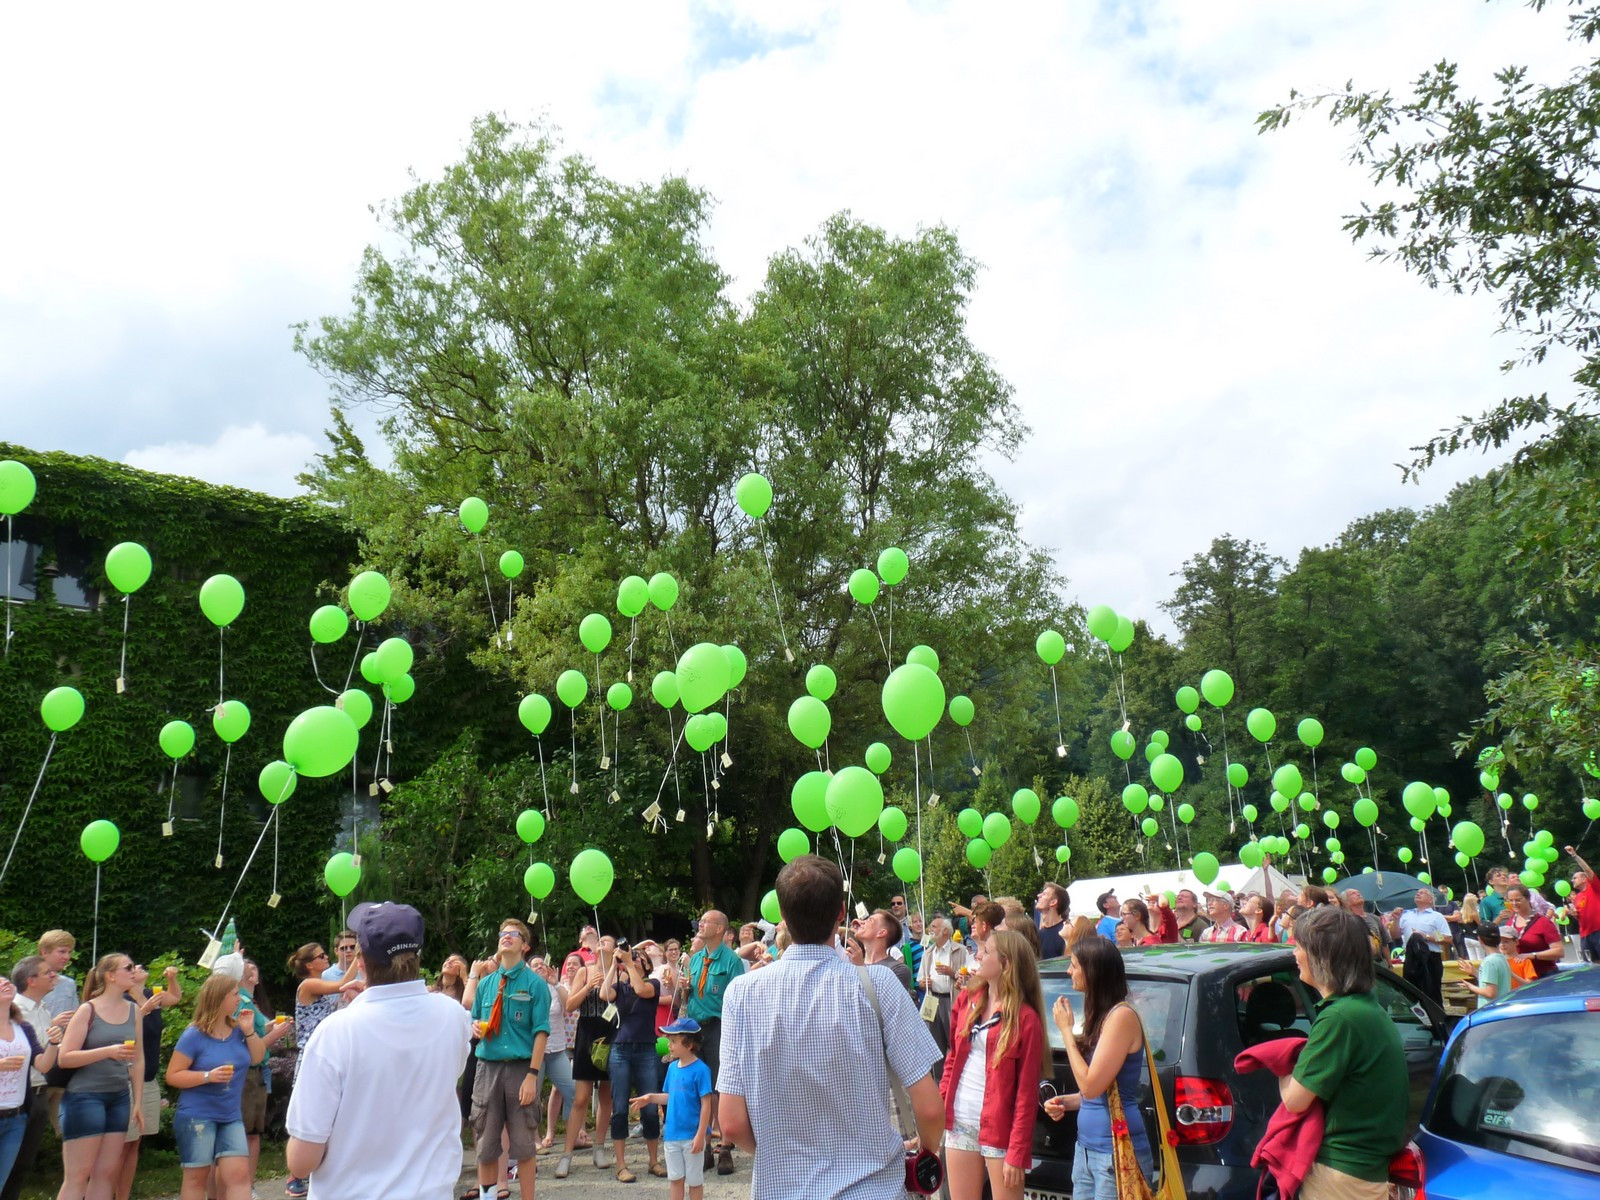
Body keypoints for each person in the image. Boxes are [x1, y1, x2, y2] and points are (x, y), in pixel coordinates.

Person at [717, 855, 944, 1199]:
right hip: (873, 1189)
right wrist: (926, 1153)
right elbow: (928, 1107)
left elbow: (731, 1122)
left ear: (782, 915)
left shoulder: (742, 993)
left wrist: (782, 1159)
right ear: (841, 913)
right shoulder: (878, 985)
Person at [286, 901, 471, 1200]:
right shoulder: (453, 1017)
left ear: (361, 962)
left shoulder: (336, 1033)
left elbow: (301, 1161)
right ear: (417, 955)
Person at [1278, 906, 1408, 1200]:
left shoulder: (1339, 1017)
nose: (1294, 954)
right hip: (1361, 1171)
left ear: (1322, 955)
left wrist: (1281, 1063)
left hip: (1339, 1175)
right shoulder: (1363, 1007)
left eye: (1298, 946)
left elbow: (1294, 1100)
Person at [939, 930, 1046, 1200]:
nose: (978, 954)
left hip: (1000, 1131)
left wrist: (1018, 1151)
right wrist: (941, 1108)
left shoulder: (1026, 1019)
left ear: (1006, 963)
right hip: (960, 1119)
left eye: (986, 951)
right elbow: (952, 1059)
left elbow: (1026, 1093)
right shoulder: (967, 999)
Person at [1047, 936, 1152, 1198]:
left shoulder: (1121, 1016)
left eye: (1073, 965)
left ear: (1092, 972)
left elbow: (1091, 1086)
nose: (1069, 971)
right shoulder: (1103, 1015)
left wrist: (1066, 1033)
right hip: (1087, 1150)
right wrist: (1068, 1102)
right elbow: (1099, 1092)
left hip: (1114, 1153)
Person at [463, 919, 550, 1200]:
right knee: (486, 1144)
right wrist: (475, 1026)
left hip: (520, 1068)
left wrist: (533, 1075)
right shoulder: (487, 984)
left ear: (525, 946)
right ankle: (487, 1197)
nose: (506, 937)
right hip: (487, 1067)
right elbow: (476, 1018)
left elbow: (541, 1033)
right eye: (502, 934)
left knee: (524, 1144)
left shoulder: (535, 984)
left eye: (513, 934)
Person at [165, 973, 263, 1200]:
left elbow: (257, 1057)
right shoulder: (194, 1035)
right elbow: (173, 1075)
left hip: (230, 1115)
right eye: (235, 994)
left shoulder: (238, 1030)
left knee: (239, 1175)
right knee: (196, 1178)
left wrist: (249, 1030)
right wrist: (208, 1076)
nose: (240, 999)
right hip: (197, 1116)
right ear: (219, 998)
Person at [58, 955, 144, 1200]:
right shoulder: (88, 1009)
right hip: (85, 1096)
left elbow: (138, 1059)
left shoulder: (134, 1010)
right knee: (78, 1175)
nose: (134, 971)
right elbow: (65, 1057)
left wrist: (137, 1101)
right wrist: (108, 1051)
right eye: (128, 967)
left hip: (118, 1096)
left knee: (105, 1173)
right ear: (110, 975)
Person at [114, 964, 183, 1200]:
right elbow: (119, 1033)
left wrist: (172, 978)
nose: (140, 966)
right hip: (126, 1078)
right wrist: (141, 1008)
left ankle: (123, 1195)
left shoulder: (152, 996)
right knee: (122, 1144)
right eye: (134, 966)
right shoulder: (123, 1000)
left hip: (148, 1079)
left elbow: (175, 997)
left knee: (135, 1143)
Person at [684, 911, 744, 1176]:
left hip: (720, 1027)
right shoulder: (696, 959)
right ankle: (706, 1146)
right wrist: (683, 987)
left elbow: (736, 999)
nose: (700, 925)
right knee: (701, 1087)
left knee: (723, 1086)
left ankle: (726, 1147)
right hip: (696, 1028)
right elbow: (690, 995)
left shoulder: (732, 961)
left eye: (706, 921)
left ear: (720, 928)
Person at [629, 1017, 712, 1200]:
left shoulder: (701, 1070)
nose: (669, 1045)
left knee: (695, 1181)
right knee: (675, 1179)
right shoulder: (672, 1068)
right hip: (671, 1135)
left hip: (692, 1137)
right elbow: (669, 1097)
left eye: (673, 1041)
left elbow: (706, 1104)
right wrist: (650, 1098)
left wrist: (700, 1135)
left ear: (689, 1044)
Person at [601, 941, 663, 1182]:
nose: (633, 959)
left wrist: (628, 962)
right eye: (631, 957)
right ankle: (621, 1164)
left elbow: (641, 991)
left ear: (646, 966)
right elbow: (604, 994)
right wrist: (614, 966)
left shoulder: (652, 984)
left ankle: (653, 1161)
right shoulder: (620, 986)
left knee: (649, 1107)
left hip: (646, 1050)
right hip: (621, 1050)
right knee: (620, 1108)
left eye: (638, 958)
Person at [3, 957, 63, 1200]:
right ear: (31, 980)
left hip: (33, 1097)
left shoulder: (39, 1012)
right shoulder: (17, 1011)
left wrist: (56, 1041)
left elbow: (43, 1060)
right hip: (18, 1096)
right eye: (46, 972)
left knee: (20, 1166)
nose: (54, 976)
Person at [555, 937, 614, 1179]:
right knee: (580, 1097)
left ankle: (599, 1147)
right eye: (600, 940)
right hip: (588, 1032)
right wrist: (589, 986)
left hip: (611, 1031)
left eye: (608, 941)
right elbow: (569, 1005)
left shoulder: (619, 971)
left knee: (606, 1095)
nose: (603, 943)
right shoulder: (584, 970)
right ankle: (566, 1154)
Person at [37, 931, 80, 1139]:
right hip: (38, 1059)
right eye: (61, 951)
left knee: (63, 1127)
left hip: (62, 1060)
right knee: (32, 1119)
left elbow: (75, 1019)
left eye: (69, 952)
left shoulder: (69, 984)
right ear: (44, 952)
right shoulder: (29, 980)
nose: (67, 957)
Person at [1386, 889, 1451, 1004]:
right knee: (1411, 991)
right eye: (1417, 893)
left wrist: (1425, 936)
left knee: (1432, 992)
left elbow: (1446, 939)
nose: (1418, 894)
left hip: (1430, 958)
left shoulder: (1436, 917)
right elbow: (1394, 935)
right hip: (1411, 957)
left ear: (1430, 900)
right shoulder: (1407, 915)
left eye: (1422, 893)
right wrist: (1396, 920)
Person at [920, 916, 966, 1058]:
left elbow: (969, 979)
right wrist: (923, 983)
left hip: (952, 1000)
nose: (930, 930)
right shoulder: (928, 953)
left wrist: (952, 973)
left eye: (934, 926)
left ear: (945, 931)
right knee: (935, 1045)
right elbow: (920, 980)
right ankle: (938, 1078)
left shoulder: (961, 950)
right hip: (933, 1000)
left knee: (955, 1042)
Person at [1502, 883, 1564, 981]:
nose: (1514, 903)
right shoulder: (1510, 923)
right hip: (1521, 977)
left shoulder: (1543, 922)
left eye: (1518, 900)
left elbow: (1559, 952)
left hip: (1545, 976)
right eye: (1511, 900)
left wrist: (1532, 955)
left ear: (1527, 899)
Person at [1457, 925, 1512, 1007]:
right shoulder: (1502, 958)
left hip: (1491, 1010)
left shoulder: (1489, 962)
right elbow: (1496, 981)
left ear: (1480, 939)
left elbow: (1490, 993)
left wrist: (1470, 986)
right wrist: (1475, 973)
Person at [1567, 846, 1600, 963]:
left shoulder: (1594, 888)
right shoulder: (1577, 897)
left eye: (1575, 878)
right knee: (1591, 966)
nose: (1572, 880)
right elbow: (1579, 916)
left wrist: (1574, 855)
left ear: (1584, 879)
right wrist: (1574, 914)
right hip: (1585, 935)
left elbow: (1588, 871)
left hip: (1598, 931)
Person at [1342, 890, 1386, 954]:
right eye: (1353, 894)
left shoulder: (1374, 918)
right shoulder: (1346, 921)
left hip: (1379, 961)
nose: (1358, 894)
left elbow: (1385, 943)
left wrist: (1389, 963)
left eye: (1359, 893)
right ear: (1346, 902)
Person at [1034, 884, 1070, 959]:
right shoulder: (1038, 934)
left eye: (1044, 894)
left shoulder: (1066, 932)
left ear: (1053, 902)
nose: (1038, 895)